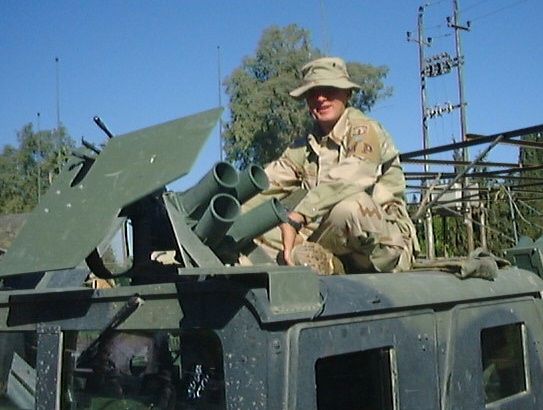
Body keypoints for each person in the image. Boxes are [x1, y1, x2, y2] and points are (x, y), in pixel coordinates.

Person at [247, 56, 419, 274]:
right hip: (330, 237)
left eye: (329, 89)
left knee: (351, 208)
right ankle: (327, 262)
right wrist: (229, 206)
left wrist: (298, 216)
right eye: (312, 93)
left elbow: (353, 176)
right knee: (253, 228)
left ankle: (316, 257)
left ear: (347, 93)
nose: (320, 98)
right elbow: (269, 181)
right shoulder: (305, 145)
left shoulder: (364, 131)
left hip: (383, 242)